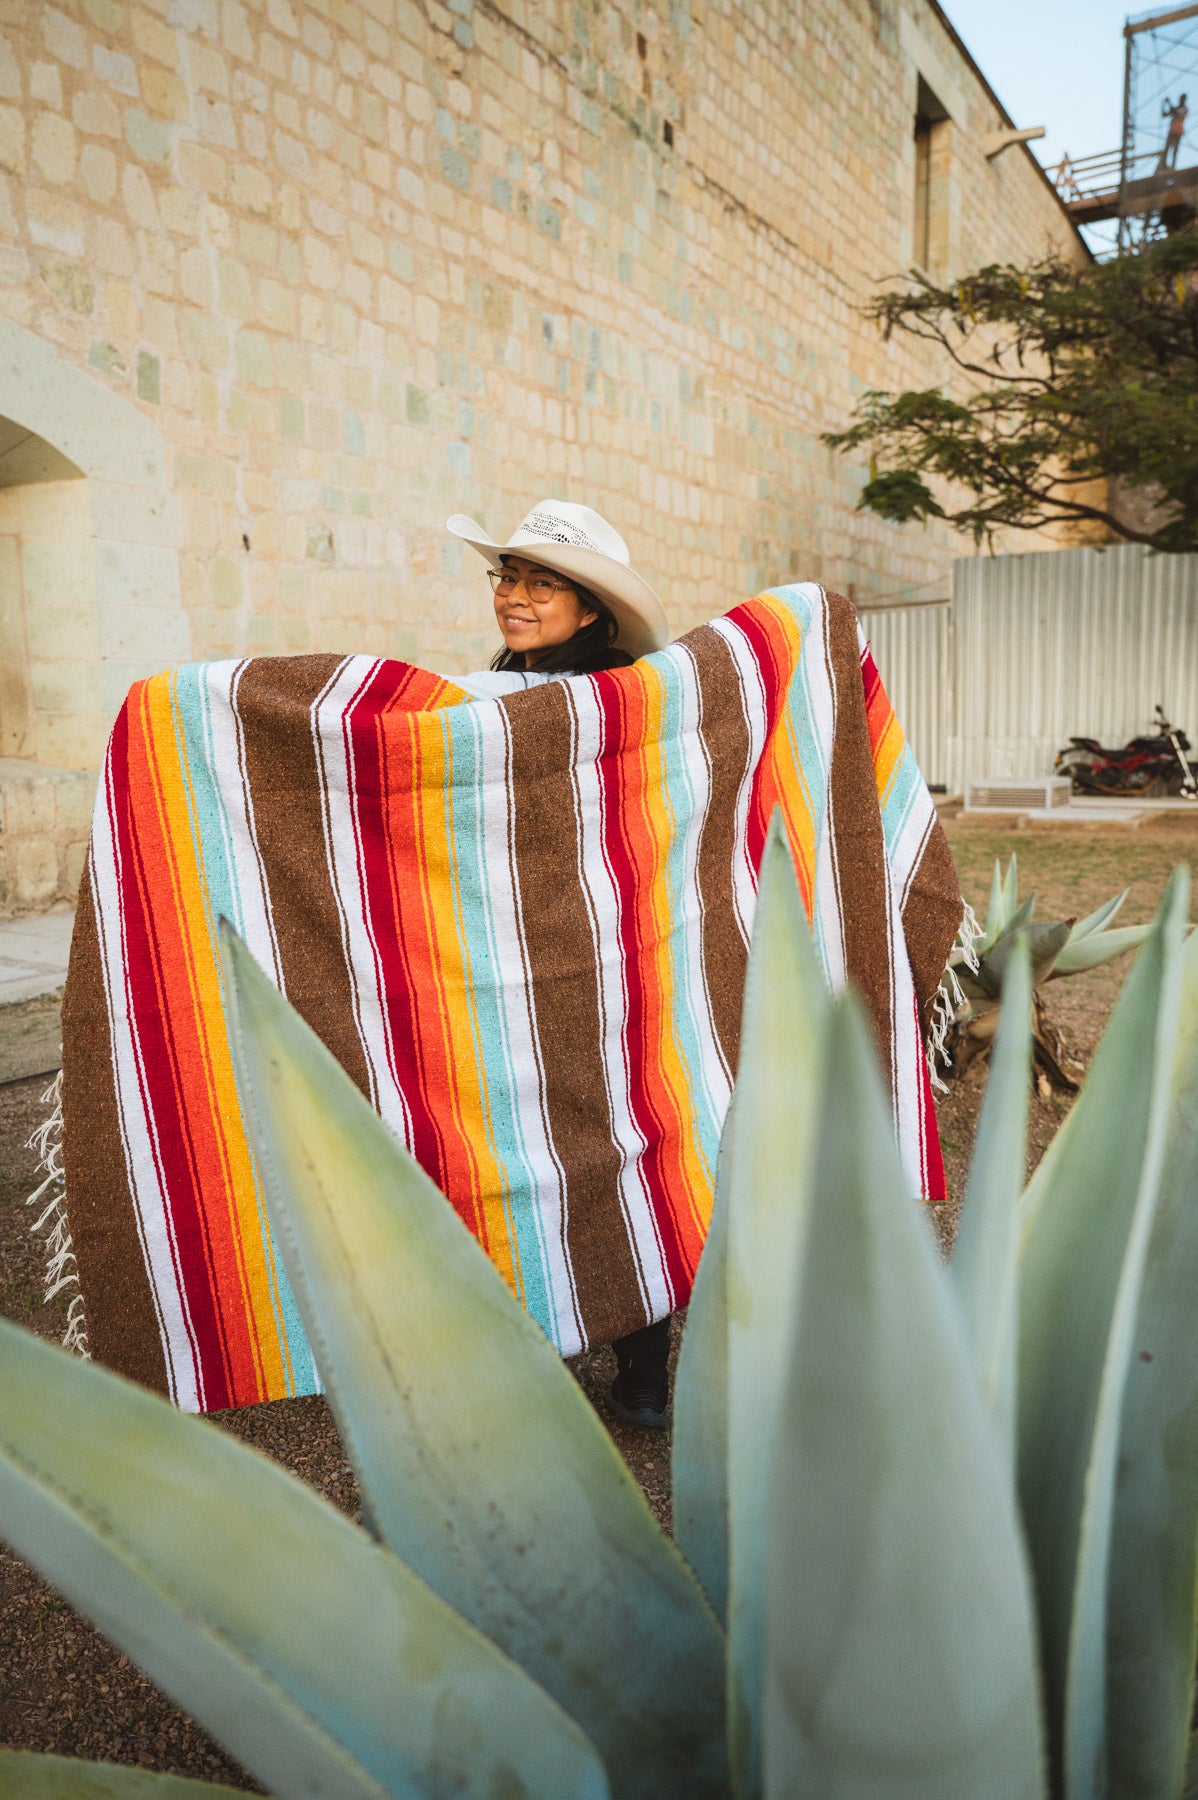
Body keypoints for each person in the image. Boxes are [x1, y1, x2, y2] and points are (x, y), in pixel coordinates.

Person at [446, 498, 676, 1429]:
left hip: (599, 959)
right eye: (509, 576)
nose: (516, 595)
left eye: (544, 582)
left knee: (613, 1143)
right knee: (506, 1147)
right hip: (497, 953)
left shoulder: (631, 702)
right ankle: (527, 1342)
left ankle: (644, 1364)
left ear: (591, 612)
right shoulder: (479, 693)